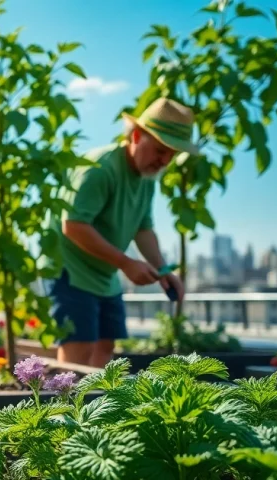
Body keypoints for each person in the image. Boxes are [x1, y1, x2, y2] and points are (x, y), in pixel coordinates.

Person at [50, 97, 196, 367]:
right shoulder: (99, 168)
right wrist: (126, 263)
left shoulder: (146, 179)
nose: (164, 161)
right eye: (160, 150)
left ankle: (94, 409)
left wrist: (163, 272)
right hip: (70, 268)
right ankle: (62, 408)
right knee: (79, 349)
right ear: (137, 135)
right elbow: (73, 225)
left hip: (105, 271)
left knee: (106, 346)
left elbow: (143, 230)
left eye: (171, 154)